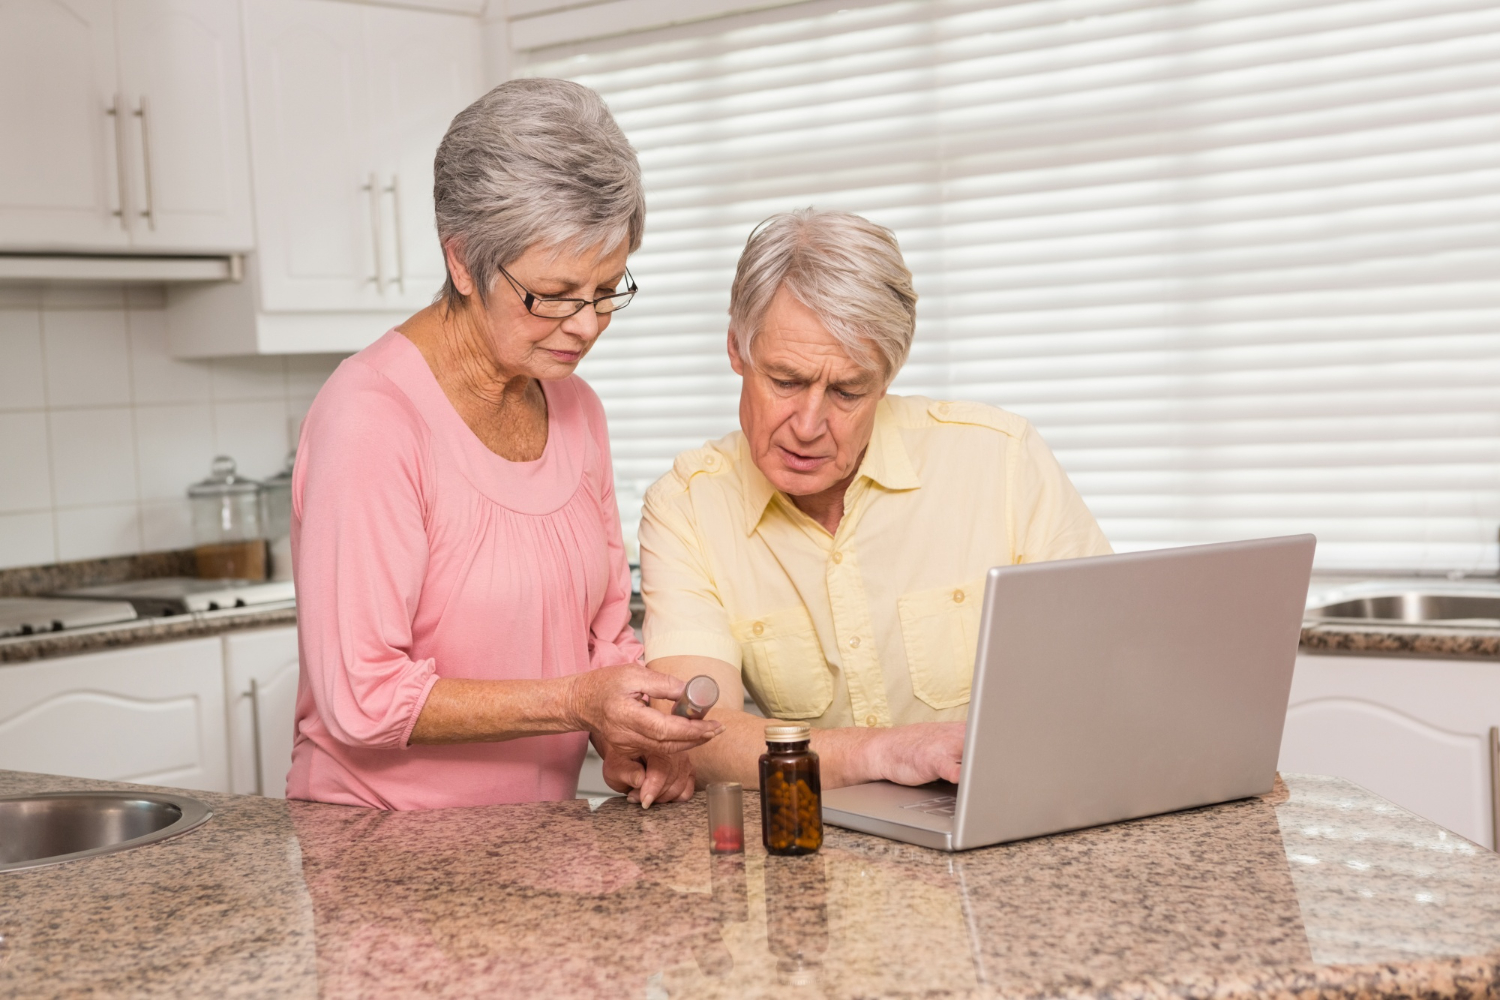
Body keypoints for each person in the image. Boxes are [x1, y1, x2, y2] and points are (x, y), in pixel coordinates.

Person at [287, 79, 720, 810]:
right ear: (462, 262)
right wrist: (581, 703)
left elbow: (606, 635)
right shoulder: (370, 418)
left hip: (539, 847)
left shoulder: (577, 407)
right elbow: (362, 697)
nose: (586, 325)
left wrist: (628, 733)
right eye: (553, 293)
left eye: (608, 288)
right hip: (382, 856)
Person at [639, 208, 1111, 789]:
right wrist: (885, 753)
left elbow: (1105, 671)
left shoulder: (1001, 459)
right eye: (785, 381)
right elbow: (696, 736)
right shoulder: (686, 507)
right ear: (737, 349)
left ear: (887, 377)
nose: (809, 424)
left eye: (847, 390)